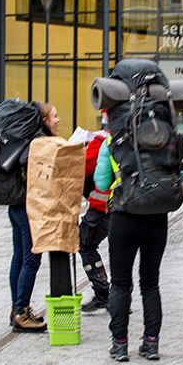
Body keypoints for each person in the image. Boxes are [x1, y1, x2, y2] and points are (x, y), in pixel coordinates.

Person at [93, 129, 183, 362]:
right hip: (157, 216)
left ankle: (120, 345)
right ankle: (151, 343)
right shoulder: (166, 137)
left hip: (125, 216)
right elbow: (182, 174)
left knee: (121, 283)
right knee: (151, 282)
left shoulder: (113, 141)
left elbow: (101, 183)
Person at [7, 101, 58, 333]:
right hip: (27, 206)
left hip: (15, 205)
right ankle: (22, 312)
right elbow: (27, 161)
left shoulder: (25, 136)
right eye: (54, 117)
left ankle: (16, 308)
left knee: (19, 257)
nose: (58, 120)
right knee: (31, 258)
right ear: (44, 120)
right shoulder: (37, 138)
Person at [78, 112, 111, 313]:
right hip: (126, 205)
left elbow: (81, 168)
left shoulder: (99, 142)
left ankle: (103, 294)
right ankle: (119, 296)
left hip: (102, 206)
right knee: (121, 252)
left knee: (85, 244)